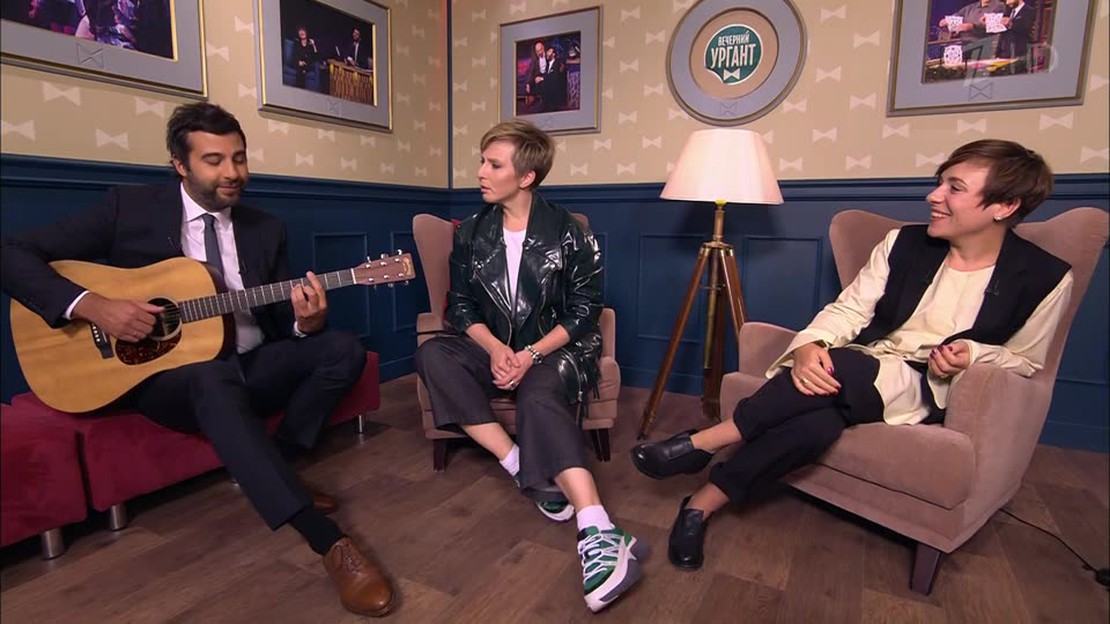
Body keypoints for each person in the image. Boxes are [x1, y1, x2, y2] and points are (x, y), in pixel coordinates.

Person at [0, 103, 395, 617]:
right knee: (210, 376)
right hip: (166, 381)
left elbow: (282, 326)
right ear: (180, 165)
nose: (232, 172)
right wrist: (94, 306)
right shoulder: (129, 209)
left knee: (343, 349)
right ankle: (327, 541)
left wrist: (306, 323)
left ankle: (279, 462)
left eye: (239, 158)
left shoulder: (265, 228)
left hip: (248, 363)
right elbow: (10, 254)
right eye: (214, 160)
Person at [630, 139, 1072, 571]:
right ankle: (701, 505)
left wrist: (973, 354)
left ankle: (704, 442)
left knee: (842, 366)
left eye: (954, 188)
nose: (933, 196)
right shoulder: (903, 243)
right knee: (815, 427)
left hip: (927, 387)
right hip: (865, 365)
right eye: (940, 182)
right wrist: (809, 346)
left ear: (1004, 206)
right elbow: (850, 310)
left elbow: (1027, 361)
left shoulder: (1045, 277)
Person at [413, 120, 645, 613]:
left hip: (556, 348)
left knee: (539, 392)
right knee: (433, 353)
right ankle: (521, 466)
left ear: (526, 176)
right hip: (494, 345)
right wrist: (497, 349)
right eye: (482, 161)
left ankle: (597, 527)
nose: (480, 172)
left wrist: (530, 354)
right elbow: (460, 309)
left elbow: (585, 311)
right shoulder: (470, 233)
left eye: (493, 164)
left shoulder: (570, 233)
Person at [938, 0, 1006, 59]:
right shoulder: (970, 8)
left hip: (984, 46)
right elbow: (952, 19)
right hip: (964, 46)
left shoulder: (999, 6)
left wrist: (973, 27)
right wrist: (946, 21)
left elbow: (994, 25)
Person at [997, 0, 1035, 64]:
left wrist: (1011, 24)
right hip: (1004, 54)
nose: (1007, 3)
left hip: (1020, 55)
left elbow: (1026, 28)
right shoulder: (1007, 12)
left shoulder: (1030, 11)